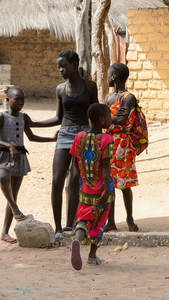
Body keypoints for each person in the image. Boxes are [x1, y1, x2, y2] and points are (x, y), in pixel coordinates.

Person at [27, 50, 98, 237]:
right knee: (57, 180)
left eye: (64, 65)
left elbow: (96, 113)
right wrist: (34, 123)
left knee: (74, 181)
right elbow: (59, 117)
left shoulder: (90, 87)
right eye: (59, 66)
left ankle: (70, 225)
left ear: (75, 64)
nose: (60, 69)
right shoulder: (60, 89)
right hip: (65, 135)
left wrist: (96, 132)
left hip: (83, 135)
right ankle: (58, 227)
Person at [0, 86, 57, 243]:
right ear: (7, 100)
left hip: (19, 157)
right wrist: (9, 146)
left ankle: (4, 232)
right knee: (4, 179)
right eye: (16, 99)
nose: (20, 102)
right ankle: (15, 208)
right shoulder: (1, 116)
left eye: (23, 99)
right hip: (5, 155)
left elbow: (31, 136)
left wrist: (51, 139)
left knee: (12, 193)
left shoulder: (23, 117)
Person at [69, 103, 115, 270]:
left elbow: (75, 160)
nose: (111, 120)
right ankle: (92, 256)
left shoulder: (79, 137)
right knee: (99, 222)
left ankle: (77, 240)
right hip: (102, 189)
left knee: (83, 218)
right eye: (109, 117)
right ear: (102, 119)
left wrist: (82, 177)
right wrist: (107, 190)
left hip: (85, 187)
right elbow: (105, 166)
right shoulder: (107, 139)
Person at [104, 63, 139, 232]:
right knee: (109, 183)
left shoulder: (128, 97)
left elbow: (120, 121)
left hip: (123, 144)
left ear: (114, 76)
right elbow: (108, 118)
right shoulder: (108, 97)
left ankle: (130, 219)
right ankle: (110, 221)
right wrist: (113, 117)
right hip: (109, 142)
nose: (106, 76)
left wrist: (109, 118)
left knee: (125, 184)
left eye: (108, 73)